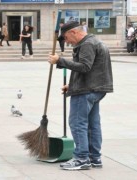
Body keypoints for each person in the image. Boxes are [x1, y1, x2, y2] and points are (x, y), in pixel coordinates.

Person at [48, 21, 113, 170]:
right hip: (96, 89)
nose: (67, 42)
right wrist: (72, 85)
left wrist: (60, 60)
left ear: (73, 32)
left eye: (66, 38)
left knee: (78, 123)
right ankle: (94, 158)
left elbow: (84, 67)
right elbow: (93, 69)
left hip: (86, 90)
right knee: (92, 125)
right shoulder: (94, 41)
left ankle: (81, 158)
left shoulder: (87, 44)